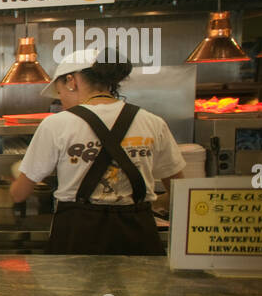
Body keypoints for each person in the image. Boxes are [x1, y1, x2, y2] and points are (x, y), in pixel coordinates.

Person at [10, 48, 186, 255]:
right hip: (137, 232)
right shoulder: (152, 122)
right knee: (140, 286)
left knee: (75, 289)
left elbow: (19, 194)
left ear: (71, 81)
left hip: (78, 233)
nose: (61, 100)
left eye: (60, 93)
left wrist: (15, 176)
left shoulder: (56, 124)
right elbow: (180, 190)